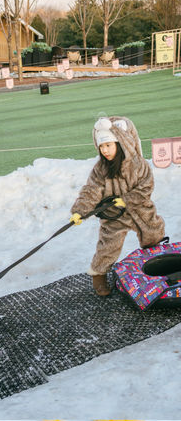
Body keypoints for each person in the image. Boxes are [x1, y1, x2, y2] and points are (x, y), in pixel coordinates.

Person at [70, 116, 166, 297]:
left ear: (120, 143)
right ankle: (99, 275)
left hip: (140, 210)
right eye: (101, 146)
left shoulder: (138, 165)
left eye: (108, 145)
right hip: (114, 215)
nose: (105, 150)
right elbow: (91, 190)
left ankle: (158, 265)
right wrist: (79, 212)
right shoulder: (101, 169)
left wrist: (128, 199)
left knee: (153, 234)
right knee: (108, 246)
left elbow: (146, 186)